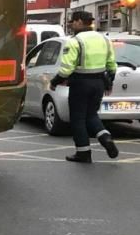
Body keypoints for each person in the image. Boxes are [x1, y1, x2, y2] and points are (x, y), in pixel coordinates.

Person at [50, 10, 119, 163]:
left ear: (80, 22)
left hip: (80, 84)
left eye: (73, 22)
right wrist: (109, 82)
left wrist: (54, 82)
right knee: (92, 115)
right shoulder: (104, 39)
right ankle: (106, 138)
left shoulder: (75, 41)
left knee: (78, 118)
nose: (71, 25)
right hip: (99, 83)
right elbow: (112, 65)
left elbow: (66, 69)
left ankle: (83, 153)